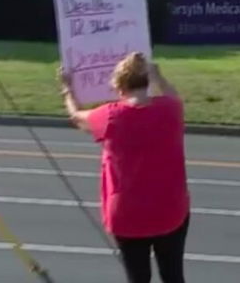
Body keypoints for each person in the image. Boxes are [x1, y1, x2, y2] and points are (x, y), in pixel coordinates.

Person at [60, 52, 190, 283]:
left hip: (128, 215)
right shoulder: (170, 109)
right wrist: (159, 76)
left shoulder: (109, 116)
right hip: (170, 208)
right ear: (146, 81)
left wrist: (68, 90)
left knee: (137, 277)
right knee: (173, 275)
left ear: (119, 86)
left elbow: (76, 117)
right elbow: (174, 96)